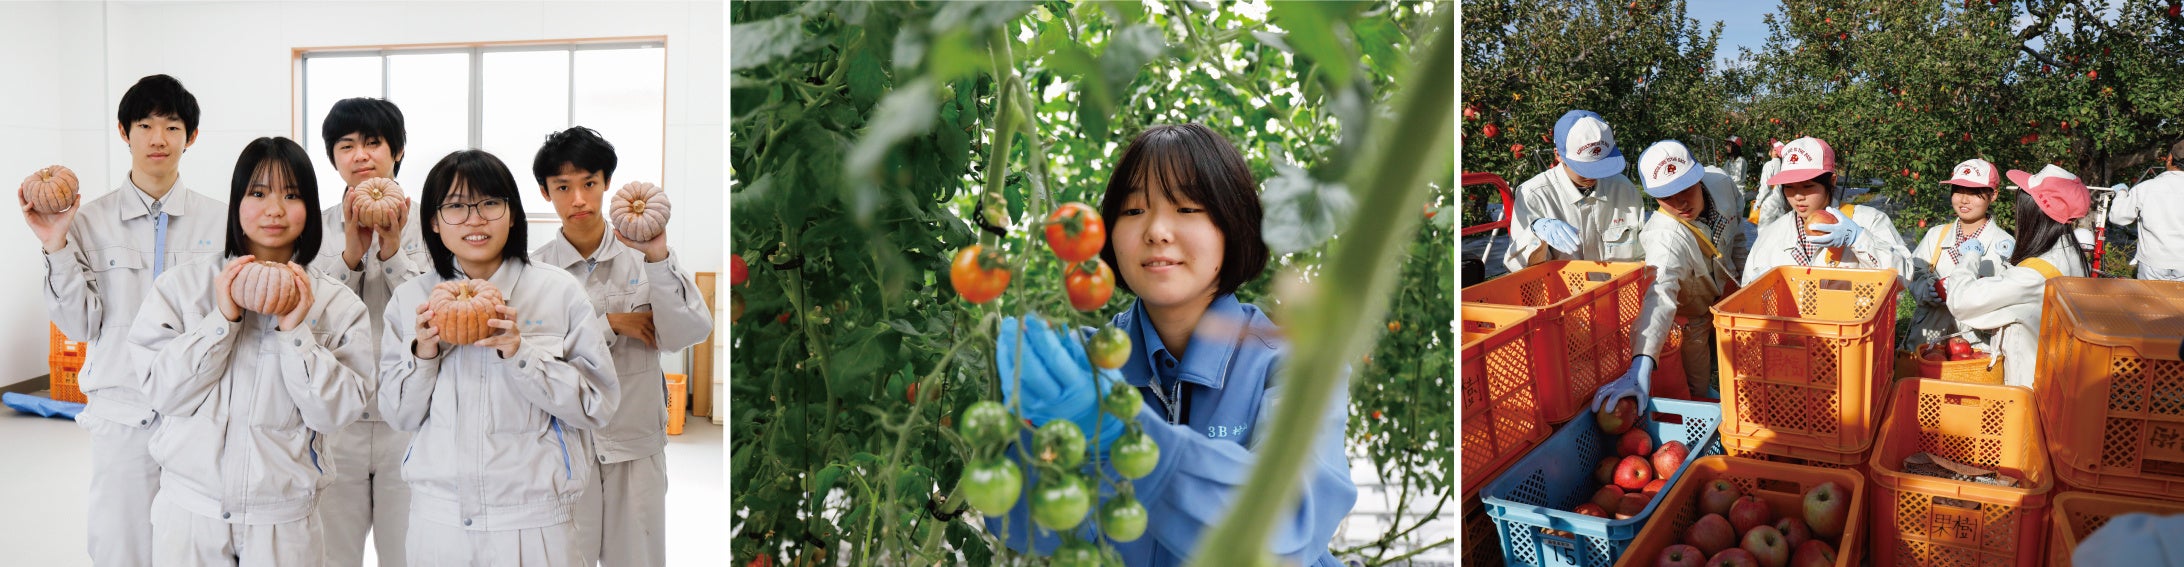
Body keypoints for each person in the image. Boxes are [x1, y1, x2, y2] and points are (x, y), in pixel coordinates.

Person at [988, 124, 1357, 565]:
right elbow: (1027, 527)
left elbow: (1289, 526)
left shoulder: (1294, 364)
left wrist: (1126, 444)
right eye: (1132, 210)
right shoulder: (1086, 367)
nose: (1157, 230)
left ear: (1232, 224)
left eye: (1186, 207)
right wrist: (1024, 447)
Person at [128, 137, 373, 565]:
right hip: (192, 510)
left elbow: (335, 413)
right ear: (237, 203)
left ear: (311, 209)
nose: (274, 209)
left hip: (282, 518)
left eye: (291, 195)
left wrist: (296, 331)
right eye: (257, 193)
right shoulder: (183, 287)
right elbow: (163, 392)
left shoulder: (338, 304)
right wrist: (222, 321)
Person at [22, 74, 229, 567]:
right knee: (120, 548)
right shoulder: (86, 221)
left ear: (191, 136)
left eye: (172, 126)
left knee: (197, 549)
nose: (158, 138)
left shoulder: (219, 222)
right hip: (121, 411)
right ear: (124, 132)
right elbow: (79, 325)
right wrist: (55, 242)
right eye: (145, 124)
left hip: (196, 416)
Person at [379, 150, 619, 566]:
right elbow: (398, 415)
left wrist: (521, 354)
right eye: (455, 206)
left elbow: (598, 406)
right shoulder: (410, 300)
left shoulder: (558, 292)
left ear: (512, 214)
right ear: (433, 222)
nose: (475, 219)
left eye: (490, 203)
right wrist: (424, 354)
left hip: (534, 522)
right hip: (440, 522)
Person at [529, 127, 712, 567]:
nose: (578, 199)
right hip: (565, 449)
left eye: (589, 183)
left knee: (640, 559)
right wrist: (611, 323)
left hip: (636, 442)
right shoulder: (535, 271)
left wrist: (658, 255)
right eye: (563, 187)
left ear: (607, 182)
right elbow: (536, 356)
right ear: (544, 192)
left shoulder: (647, 260)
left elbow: (689, 332)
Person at [313, 96, 430, 567]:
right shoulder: (313, 230)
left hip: (410, 420)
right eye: (346, 145)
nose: (360, 155)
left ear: (397, 151)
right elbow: (307, 318)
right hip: (337, 420)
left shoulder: (436, 225)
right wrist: (346, 255)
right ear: (334, 158)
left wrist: (393, 254)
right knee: (332, 552)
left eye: (373, 142)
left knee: (407, 551)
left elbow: (439, 312)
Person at [1593, 141, 1750, 411]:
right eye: (1667, 196)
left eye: (1685, 188)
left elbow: (1737, 234)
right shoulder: (1664, 237)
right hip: (1694, 315)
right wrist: (1642, 360)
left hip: (1729, 295)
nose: (1679, 203)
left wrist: (1746, 284)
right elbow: (1659, 294)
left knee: (1744, 373)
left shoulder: (1722, 183)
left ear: (1699, 176)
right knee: (1698, 387)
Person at [1945, 164, 2093, 388]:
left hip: (2029, 385)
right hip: (2055, 377)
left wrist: (1970, 257)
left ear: (2034, 211)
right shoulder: (2070, 253)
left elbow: (1961, 301)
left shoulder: (2034, 274)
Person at [1740, 136, 1914, 286]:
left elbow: (1903, 277)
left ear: (1832, 181)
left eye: (1808, 186)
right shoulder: (1772, 234)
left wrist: (1858, 239)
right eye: (1789, 187)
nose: (1798, 196)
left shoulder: (1868, 221)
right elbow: (1748, 287)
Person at [1502, 110, 1646, 273]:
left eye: (1601, 166)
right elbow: (1517, 268)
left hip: (1619, 292)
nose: (1594, 175)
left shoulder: (1623, 189)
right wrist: (1535, 235)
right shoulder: (1534, 195)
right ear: (1559, 155)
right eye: (1585, 169)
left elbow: (1643, 253)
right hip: (1564, 296)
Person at [1904, 158, 2016, 350]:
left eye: (1974, 193)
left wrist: (1974, 294)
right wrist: (1928, 290)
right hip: (1928, 337)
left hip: (1975, 344)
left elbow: (2010, 296)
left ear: (1993, 195)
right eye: (1958, 190)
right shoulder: (1936, 235)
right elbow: (1914, 272)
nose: (1964, 200)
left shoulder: (2004, 246)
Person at [2114, 139, 2184, 281]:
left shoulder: (2147, 188)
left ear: (2170, 158)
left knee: (2151, 302)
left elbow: (2118, 217)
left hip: (2153, 262)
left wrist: (2121, 192)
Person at [1750, 139, 1789, 228]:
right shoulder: (1785, 166)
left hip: (1769, 203)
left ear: (1771, 152)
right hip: (1781, 204)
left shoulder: (1769, 165)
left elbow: (1765, 186)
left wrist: (1758, 202)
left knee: (1763, 234)